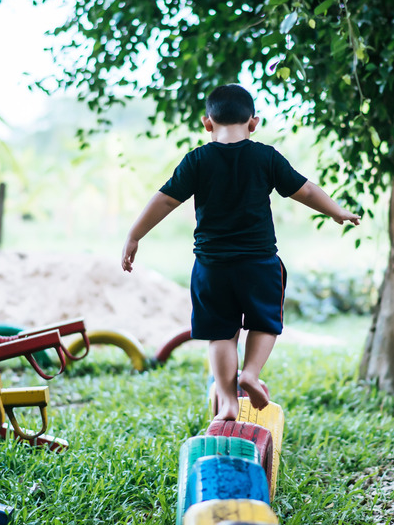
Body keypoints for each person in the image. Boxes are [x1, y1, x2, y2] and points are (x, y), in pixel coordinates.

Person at [121, 84, 360, 421]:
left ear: (207, 123)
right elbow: (304, 190)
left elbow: (165, 200)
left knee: (220, 333)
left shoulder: (197, 160)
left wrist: (134, 235)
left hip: (211, 266)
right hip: (259, 263)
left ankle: (228, 400)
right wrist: (336, 211)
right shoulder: (266, 157)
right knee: (265, 322)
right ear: (254, 122)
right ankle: (251, 373)